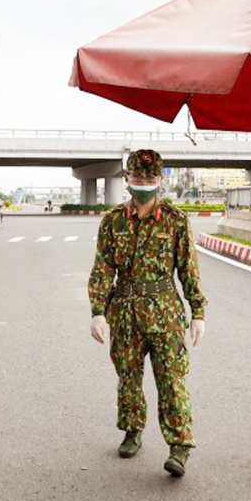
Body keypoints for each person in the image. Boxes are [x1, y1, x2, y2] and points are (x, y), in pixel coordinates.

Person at [88, 149, 206, 477]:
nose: (143, 184)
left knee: (171, 381)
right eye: (137, 178)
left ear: (160, 181)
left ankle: (180, 446)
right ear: (126, 180)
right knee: (128, 378)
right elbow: (102, 269)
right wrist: (97, 311)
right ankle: (132, 430)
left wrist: (198, 312)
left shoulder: (175, 220)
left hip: (165, 313)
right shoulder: (112, 221)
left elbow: (189, 270)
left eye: (149, 179)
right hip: (124, 313)